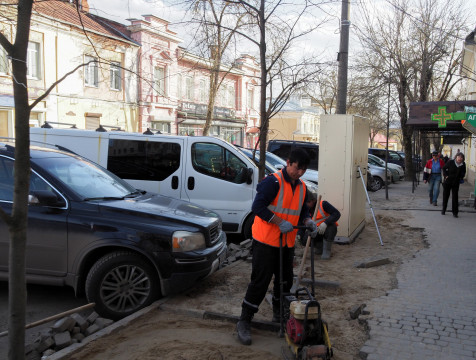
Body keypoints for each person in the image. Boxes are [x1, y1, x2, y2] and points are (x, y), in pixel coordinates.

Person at [235, 148, 318, 346]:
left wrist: (307, 221)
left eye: (304, 170)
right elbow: (258, 207)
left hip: (286, 243)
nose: (300, 173)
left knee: (285, 282)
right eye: (298, 168)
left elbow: (301, 211)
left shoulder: (302, 188)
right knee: (260, 282)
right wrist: (278, 221)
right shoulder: (272, 182)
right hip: (266, 242)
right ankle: (244, 321)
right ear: (289, 163)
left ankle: (279, 315)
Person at [298, 196, 341, 260]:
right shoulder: (305, 209)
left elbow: (336, 214)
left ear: (312, 201)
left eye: (307, 203)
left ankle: (327, 250)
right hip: (315, 231)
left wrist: (325, 223)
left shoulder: (323, 204)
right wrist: (299, 235)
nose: (305, 205)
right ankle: (320, 246)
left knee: (331, 228)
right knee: (304, 239)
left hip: (326, 228)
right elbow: (301, 224)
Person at [441, 152, 466, 218]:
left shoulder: (463, 164)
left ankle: (455, 212)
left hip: (456, 182)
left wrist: (461, 177)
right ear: (456, 157)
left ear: (463, 158)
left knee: (455, 197)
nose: (460, 159)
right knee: (446, 196)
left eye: (461, 157)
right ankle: (444, 209)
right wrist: (446, 176)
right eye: (458, 157)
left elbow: (464, 172)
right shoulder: (451, 162)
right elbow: (444, 168)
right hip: (448, 182)